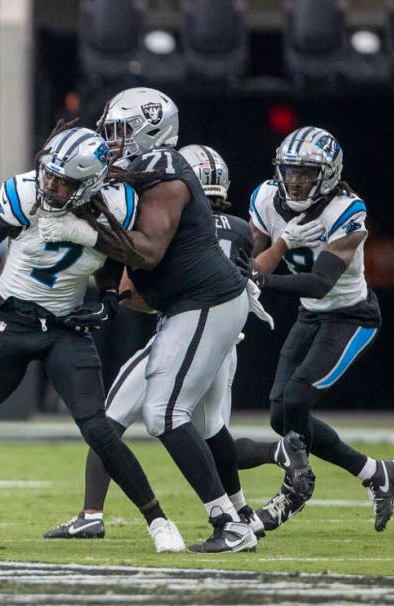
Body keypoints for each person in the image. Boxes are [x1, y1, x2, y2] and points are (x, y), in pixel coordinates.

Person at [0, 125, 186, 554]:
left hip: (65, 328)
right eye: (50, 175)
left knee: (99, 429)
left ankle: (157, 519)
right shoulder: (22, 193)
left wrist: (109, 300)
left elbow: (115, 259)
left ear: (91, 182)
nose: (52, 186)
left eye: (64, 181)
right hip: (9, 320)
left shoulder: (117, 204)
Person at [43, 144, 301, 541]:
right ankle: (242, 507)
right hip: (226, 334)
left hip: (191, 325)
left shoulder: (170, 223)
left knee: (116, 419)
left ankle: (95, 513)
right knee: (211, 431)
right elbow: (247, 277)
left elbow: (137, 287)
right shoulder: (237, 227)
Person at [87, 88, 256, 552]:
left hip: (208, 298)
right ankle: (236, 518)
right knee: (199, 423)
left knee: (163, 411)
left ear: (154, 130)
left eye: (123, 132)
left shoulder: (164, 172)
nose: (114, 143)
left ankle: (232, 525)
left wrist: (87, 229)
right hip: (188, 303)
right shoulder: (136, 176)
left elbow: (148, 250)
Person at [241, 126, 394, 532]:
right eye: (289, 170)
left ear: (329, 174)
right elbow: (254, 265)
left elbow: (319, 283)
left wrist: (263, 279)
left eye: (305, 172)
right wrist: (279, 247)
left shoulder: (347, 211)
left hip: (351, 316)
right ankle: (372, 471)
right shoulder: (264, 198)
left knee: (295, 400)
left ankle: (292, 492)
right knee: (280, 416)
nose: (294, 180)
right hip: (310, 315)